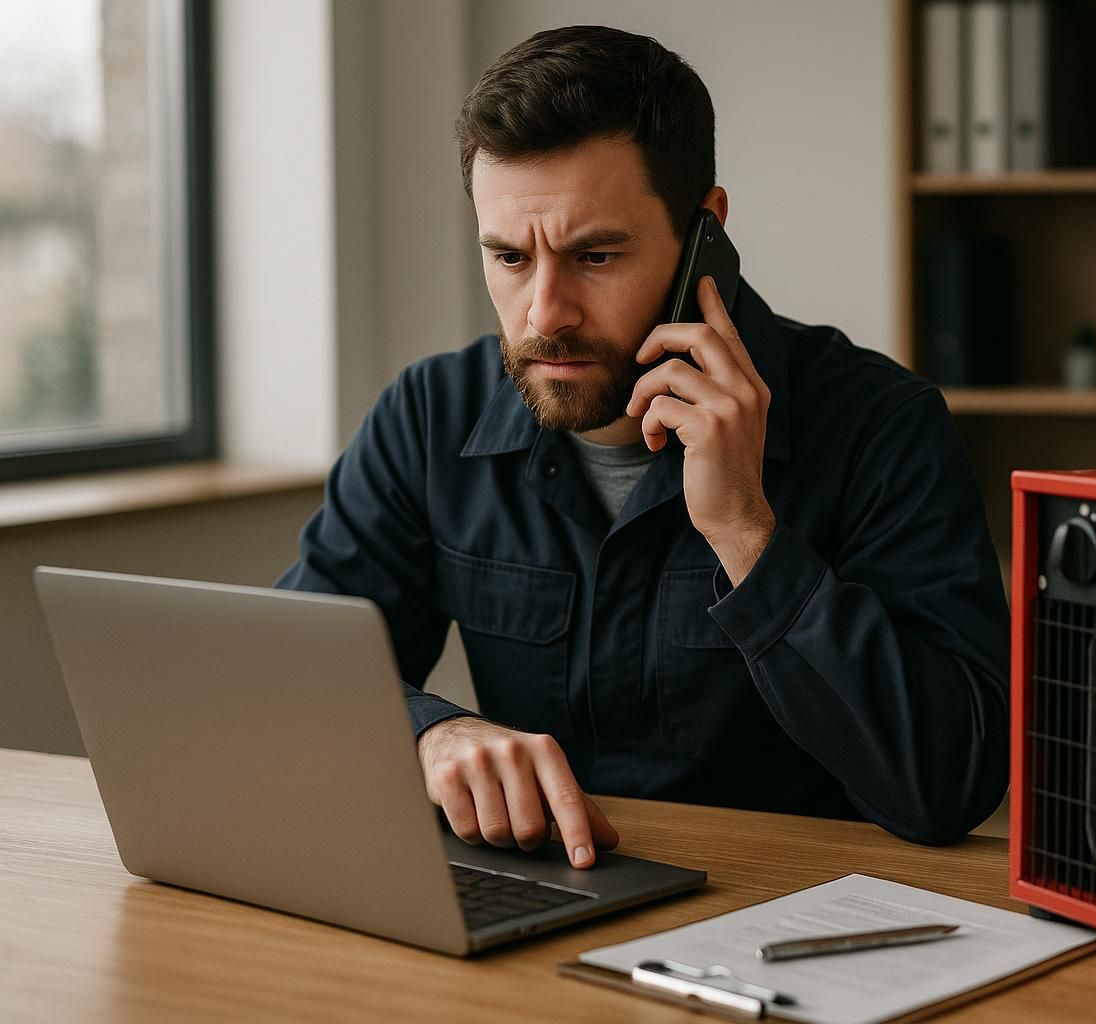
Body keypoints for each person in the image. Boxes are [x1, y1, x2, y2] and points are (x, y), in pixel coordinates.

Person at [277, 24, 1008, 869]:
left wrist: (747, 533)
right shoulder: (429, 416)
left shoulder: (882, 426)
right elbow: (293, 676)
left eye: (594, 255)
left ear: (706, 234)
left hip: (779, 923)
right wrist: (430, 736)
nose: (544, 312)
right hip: (534, 910)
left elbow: (951, 783)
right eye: (510, 257)